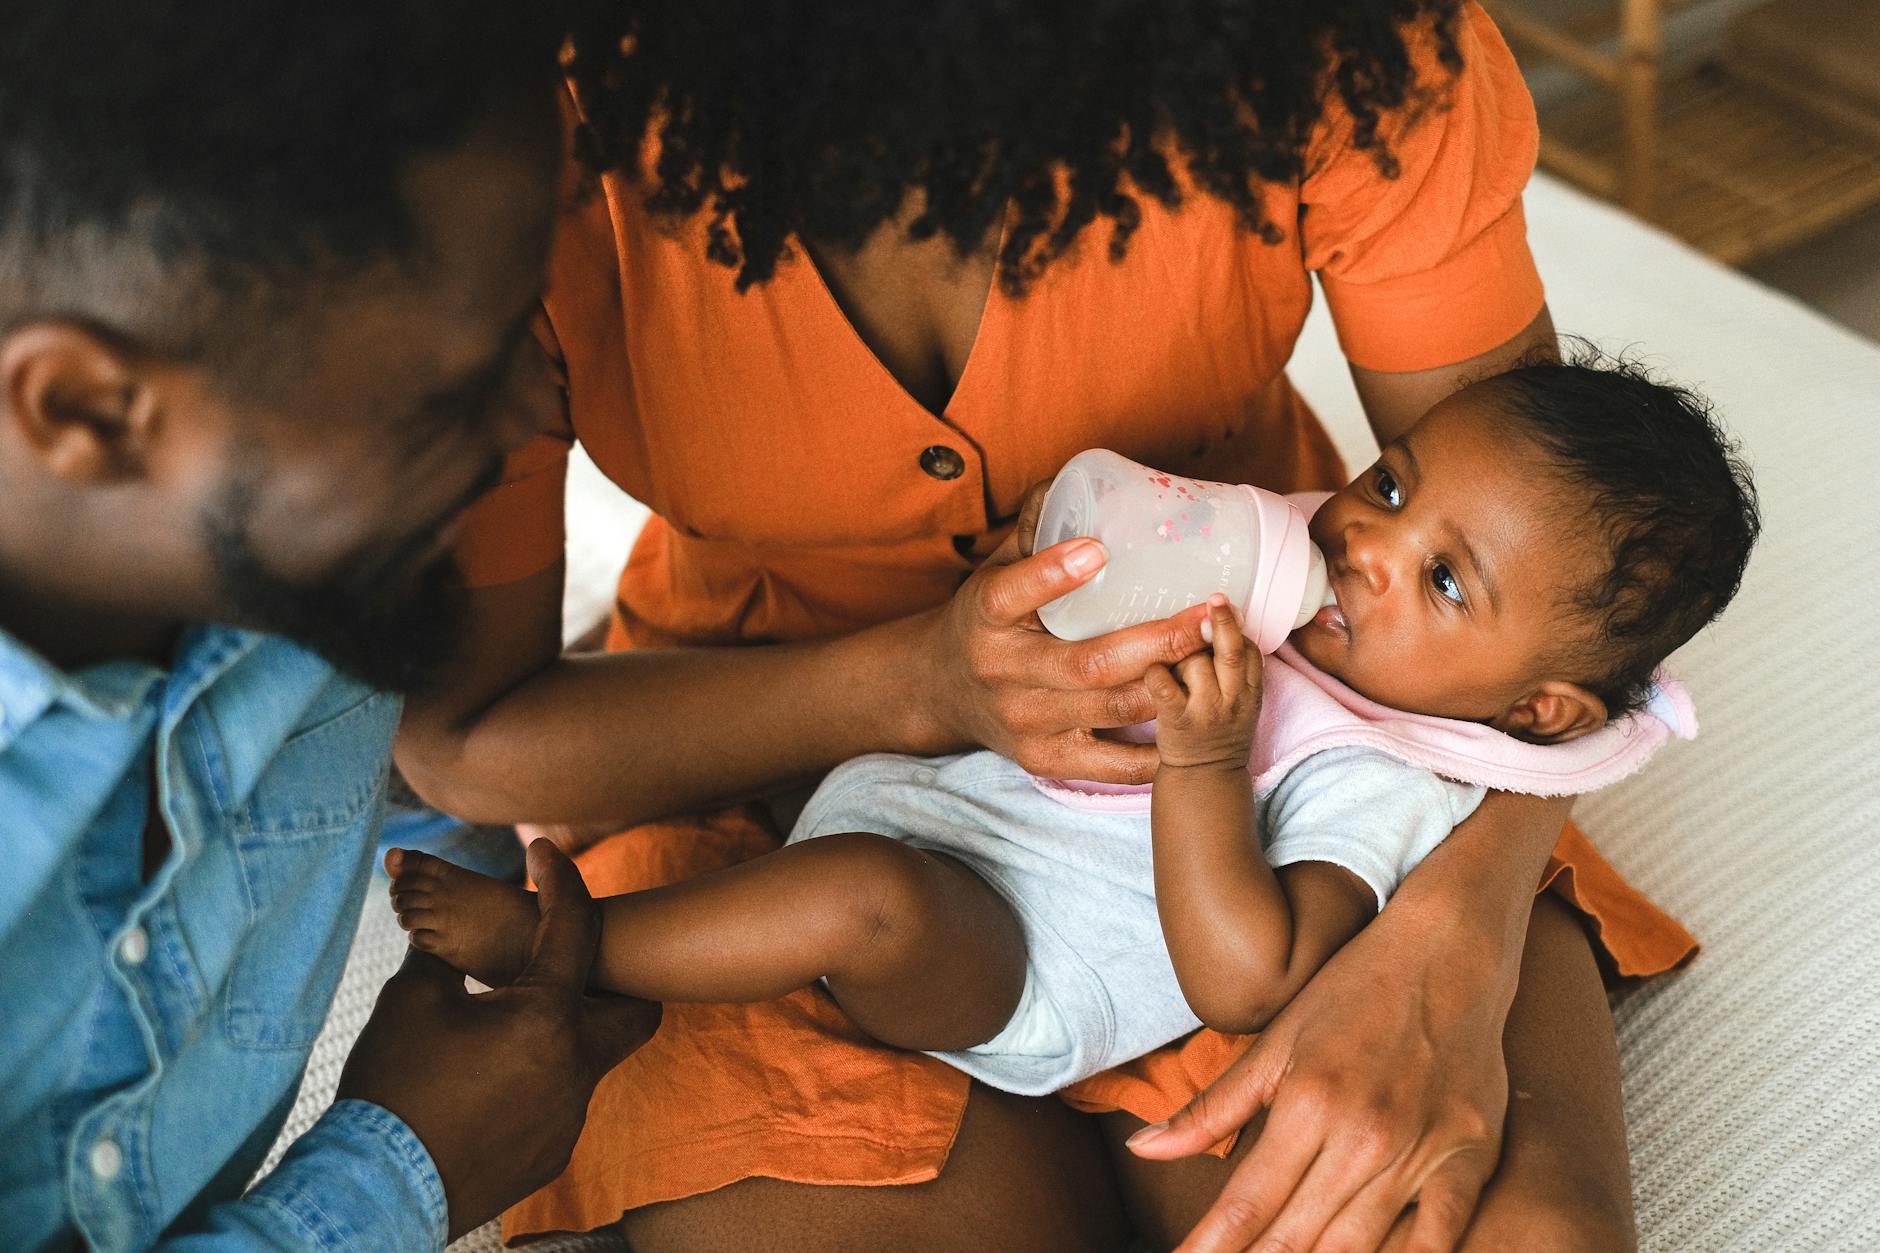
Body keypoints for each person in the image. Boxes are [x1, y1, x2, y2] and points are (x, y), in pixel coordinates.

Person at [396, 3, 1699, 1248]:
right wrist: (921, 684)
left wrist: (1448, 941)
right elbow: (469, 738)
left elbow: (1569, 594)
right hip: (769, 783)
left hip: (1293, 784)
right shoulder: (529, 130)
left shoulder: (1339, 43)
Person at [387, 355, 1756, 1106]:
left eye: (1445, 579)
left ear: (1538, 709)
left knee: (858, 903)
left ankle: (576, 947)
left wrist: (1211, 764)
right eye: (1391, 483)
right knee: (789, 765)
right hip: (947, 792)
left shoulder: (1390, 778)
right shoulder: (1298, 593)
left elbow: (1247, 974)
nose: (1367, 545)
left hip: (1022, 957)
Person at [0, 4, 657, 1248]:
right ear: (87, 409)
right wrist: (390, 1176)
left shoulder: (329, 575)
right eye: (449, 390)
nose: (530, 415)